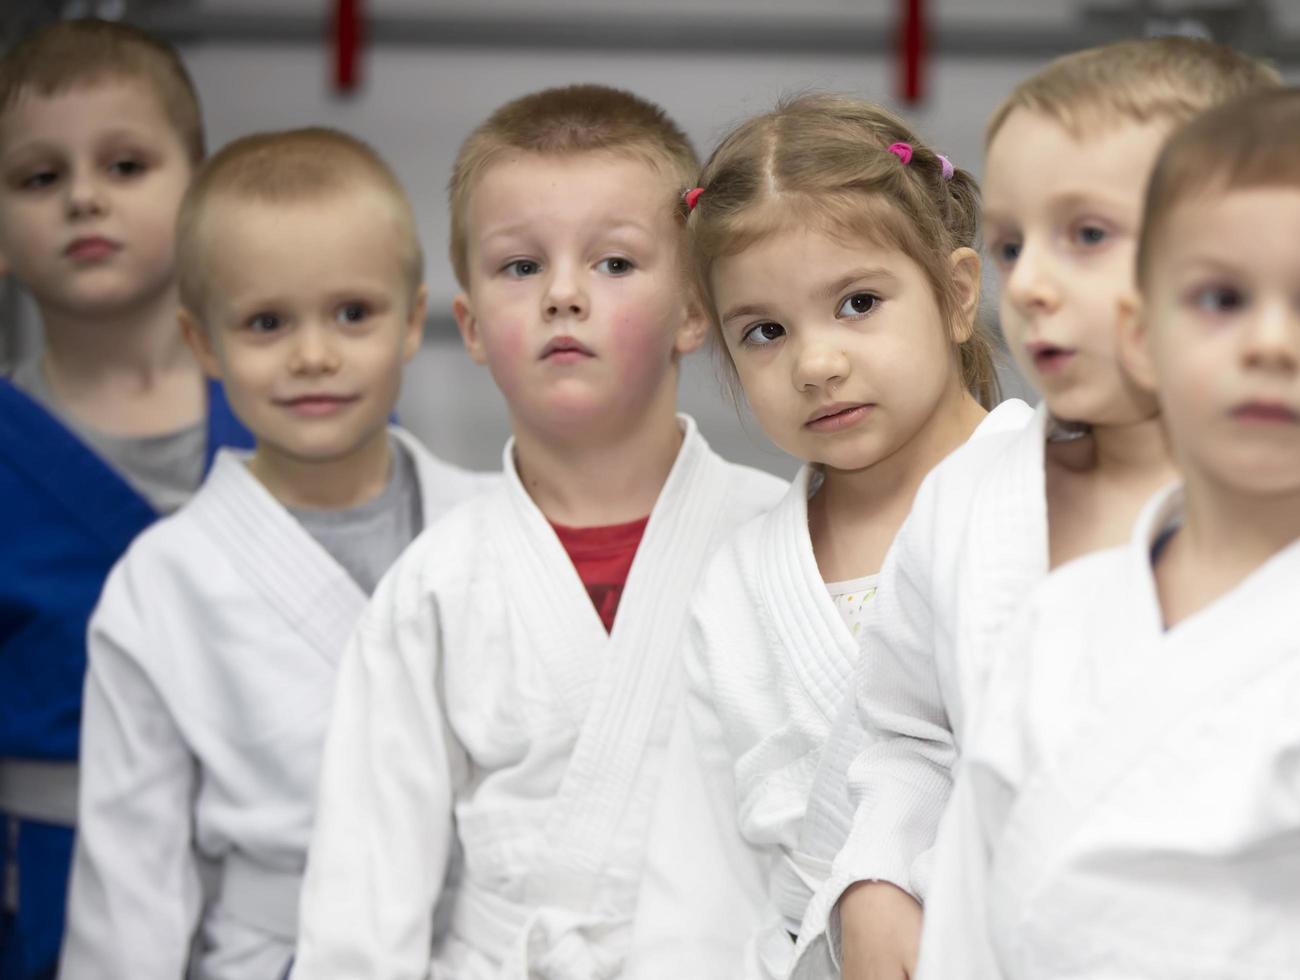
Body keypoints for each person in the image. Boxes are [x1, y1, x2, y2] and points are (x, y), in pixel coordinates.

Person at [917, 85, 1300, 979]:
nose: (1273, 344)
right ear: (1143, 336)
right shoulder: (1060, 619)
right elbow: (968, 934)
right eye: (1220, 298)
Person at [291, 84, 785, 980]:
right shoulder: (435, 587)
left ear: (693, 312)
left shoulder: (777, 540)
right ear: (472, 327)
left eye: (614, 263)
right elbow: (364, 896)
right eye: (521, 267)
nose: (563, 294)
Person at [810, 38, 1279, 980]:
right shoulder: (970, 501)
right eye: (1014, 243)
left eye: (1088, 236)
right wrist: (875, 878)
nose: (1027, 283)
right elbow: (908, 736)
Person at [56, 127, 492, 980]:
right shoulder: (163, 582)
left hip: (483, 947)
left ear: (412, 321)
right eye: (266, 322)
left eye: (353, 313)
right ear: (204, 345)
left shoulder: (494, 526)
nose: (314, 355)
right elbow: (131, 878)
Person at [626, 93, 1008, 980]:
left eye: (859, 302)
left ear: (956, 295)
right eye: (764, 331)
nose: (816, 362)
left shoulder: (1055, 496)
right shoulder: (739, 580)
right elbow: (699, 878)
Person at [0, 21, 251, 979]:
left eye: (126, 163)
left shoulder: (304, 427)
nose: (84, 197)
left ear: (201, 193)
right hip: (46, 888)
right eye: (38, 177)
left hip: (272, 876)